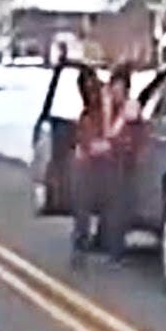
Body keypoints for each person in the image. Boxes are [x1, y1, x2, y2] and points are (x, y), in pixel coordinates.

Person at [99, 62, 141, 263]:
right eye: (113, 86)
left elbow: (118, 135)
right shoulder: (108, 108)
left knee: (117, 207)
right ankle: (105, 241)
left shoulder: (130, 109)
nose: (115, 91)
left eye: (119, 87)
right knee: (108, 205)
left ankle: (116, 248)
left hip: (124, 164)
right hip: (109, 163)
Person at [70, 66, 109, 262]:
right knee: (82, 193)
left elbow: (107, 127)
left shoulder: (105, 103)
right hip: (92, 157)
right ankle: (82, 237)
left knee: (91, 193)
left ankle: (91, 237)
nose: (88, 91)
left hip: (109, 156)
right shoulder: (88, 111)